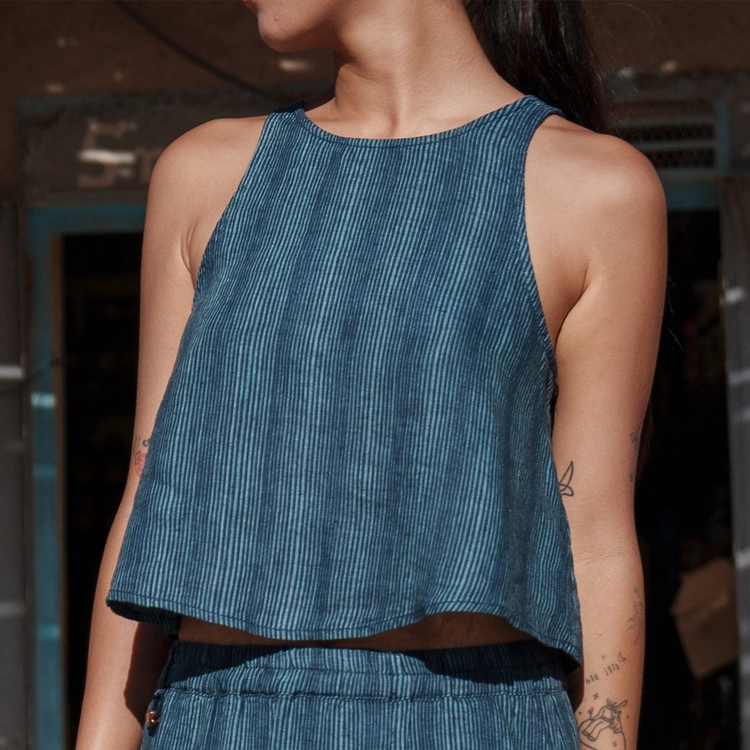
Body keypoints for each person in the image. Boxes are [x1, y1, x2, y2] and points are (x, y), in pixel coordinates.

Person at [76, 0, 666, 747]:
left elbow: (595, 535)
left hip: (476, 723)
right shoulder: (204, 174)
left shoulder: (595, 189)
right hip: (218, 717)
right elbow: (149, 487)